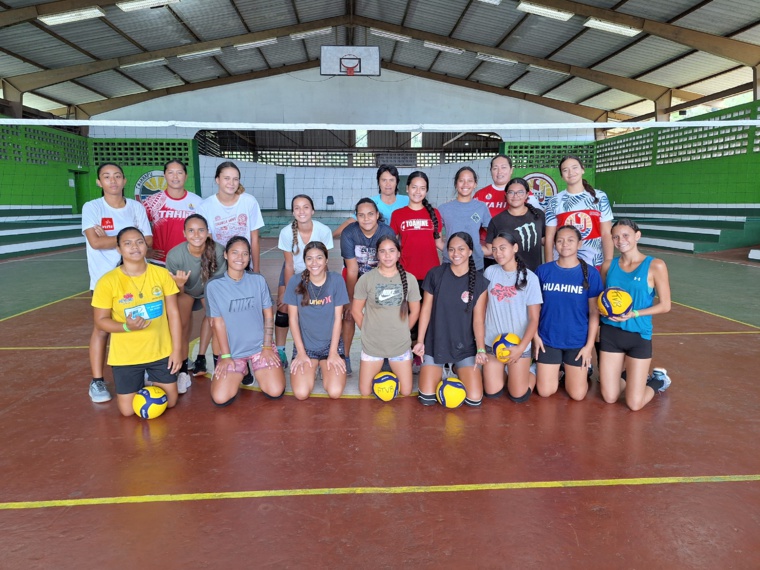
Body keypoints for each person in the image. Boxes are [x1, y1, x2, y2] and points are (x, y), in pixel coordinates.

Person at [91, 227, 182, 417]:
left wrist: (176, 350)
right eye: (128, 243)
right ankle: (144, 378)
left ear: (146, 245)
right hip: (126, 356)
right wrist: (126, 326)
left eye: (140, 242)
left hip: (160, 351)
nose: (135, 247)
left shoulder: (161, 274)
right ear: (119, 249)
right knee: (127, 411)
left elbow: (173, 313)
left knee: (171, 402)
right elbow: (101, 322)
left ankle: (151, 377)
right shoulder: (107, 281)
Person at [82, 162, 153, 404]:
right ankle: (97, 380)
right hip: (104, 279)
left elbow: (149, 240)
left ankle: (140, 368)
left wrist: (112, 238)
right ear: (99, 182)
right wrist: (131, 238)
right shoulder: (92, 207)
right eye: (106, 177)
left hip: (135, 277)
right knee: (102, 329)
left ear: (124, 181)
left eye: (117, 176)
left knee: (137, 321)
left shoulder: (136, 207)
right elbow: (95, 243)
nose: (112, 181)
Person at [599, 219, 672, 411]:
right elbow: (602, 298)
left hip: (638, 335)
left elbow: (665, 305)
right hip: (610, 333)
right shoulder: (608, 265)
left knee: (634, 404)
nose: (620, 240)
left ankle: (658, 380)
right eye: (615, 236)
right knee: (609, 397)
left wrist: (634, 314)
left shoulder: (655, 265)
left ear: (637, 236)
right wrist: (602, 308)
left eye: (625, 235)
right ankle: (628, 376)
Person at [205, 236, 286, 407]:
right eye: (235, 253)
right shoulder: (214, 286)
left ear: (250, 257)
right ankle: (244, 369)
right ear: (226, 255)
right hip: (233, 352)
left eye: (245, 254)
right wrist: (226, 356)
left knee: (275, 390)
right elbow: (218, 323)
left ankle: (256, 366)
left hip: (260, 348)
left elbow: (269, 316)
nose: (240, 258)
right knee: (220, 397)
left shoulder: (258, 280)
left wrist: (266, 346)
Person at [413, 232, 489, 407]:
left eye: (461, 249)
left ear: (470, 251)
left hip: (464, 346)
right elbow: (425, 310)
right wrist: (420, 341)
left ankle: (456, 367)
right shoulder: (435, 274)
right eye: (452, 249)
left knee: (474, 399)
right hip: (436, 344)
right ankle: (439, 368)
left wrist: (481, 349)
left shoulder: (479, 282)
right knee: (427, 398)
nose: (456, 253)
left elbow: (478, 320)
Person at [534, 226, 603, 401]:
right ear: (554, 244)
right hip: (548, 339)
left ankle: (578, 371)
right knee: (545, 391)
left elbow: (594, 313)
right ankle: (556, 369)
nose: (565, 244)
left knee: (578, 395)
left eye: (570, 240)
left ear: (579, 244)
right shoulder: (543, 271)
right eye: (560, 240)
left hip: (577, 341)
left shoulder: (591, 274)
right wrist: (535, 336)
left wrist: (588, 347)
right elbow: (533, 308)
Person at [352, 236, 421, 398]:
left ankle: (388, 366)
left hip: (399, 344)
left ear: (398, 254)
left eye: (391, 251)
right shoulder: (366, 279)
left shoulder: (409, 279)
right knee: (365, 392)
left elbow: (416, 311)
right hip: (373, 345)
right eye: (382, 251)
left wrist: (403, 331)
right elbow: (356, 311)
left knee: (405, 391)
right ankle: (384, 366)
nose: (387, 255)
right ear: (377, 255)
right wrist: (369, 331)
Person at [481, 232, 542, 403]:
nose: (498, 253)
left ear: (515, 248)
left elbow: (534, 319)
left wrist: (521, 347)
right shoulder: (490, 272)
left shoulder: (530, 278)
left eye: (502, 248)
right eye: (494, 249)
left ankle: (532, 371)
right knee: (492, 393)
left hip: (518, 345)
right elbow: (483, 307)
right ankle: (507, 371)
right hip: (493, 344)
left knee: (518, 396)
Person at [165, 214, 226, 385]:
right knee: (181, 325)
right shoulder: (175, 255)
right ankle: (183, 369)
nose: (196, 235)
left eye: (201, 230)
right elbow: (175, 293)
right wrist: (180, 285)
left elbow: (216, 287)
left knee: (215, 319)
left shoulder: (218, 251)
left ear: (208, 232)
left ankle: (208, 361)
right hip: (184, 291)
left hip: (209, 290)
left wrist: (210, 309)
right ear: (184, 233)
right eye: (191, 230)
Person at [284, 241, 349, 400]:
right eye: (309, 259)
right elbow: (292, 319)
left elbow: (337, 319)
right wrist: (300, 352)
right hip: (306, 347)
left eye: (319, 258)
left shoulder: (336, 280)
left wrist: (333, 352)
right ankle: (313, 367)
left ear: (326, 260)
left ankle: (322, 366)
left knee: (334, 392)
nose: (314, 263)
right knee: (301, 393)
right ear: (304, 261)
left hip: (330, 346)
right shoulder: (295, 281)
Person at [275, 194, 334, 367]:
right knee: (284, 308)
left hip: (317, 272)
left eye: (306, 207)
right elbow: (288, 265)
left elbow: (325, 263)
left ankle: (322, 350)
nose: (302, 211)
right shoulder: (286, 233)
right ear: (293, 212)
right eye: (297, 208)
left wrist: (324, 286)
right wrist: (288, 293)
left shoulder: (323, 231)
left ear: (313, 210)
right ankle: (280, 350)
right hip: (294, 273)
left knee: (319, 307)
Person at [339, 198, 396, 375]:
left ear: (377, 215)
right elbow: (352, 270)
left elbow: (387, 265)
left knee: (383, 314)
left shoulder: (386, 232)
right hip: (354, 276)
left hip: (381, 275)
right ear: (356, 217)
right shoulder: (349, 233)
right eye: (361, 215)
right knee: (348, 315)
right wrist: (350, 301)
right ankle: (345, 357)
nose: (366, 219)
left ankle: (385, 356)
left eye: (370, 214)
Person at [544, 155, 613, 269]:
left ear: (582, 169)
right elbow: (550, 238)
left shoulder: (600, 197)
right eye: (565, 170)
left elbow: (606, 233)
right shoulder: (555, 201)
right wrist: (549, 266)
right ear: (561, 176)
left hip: (594, 263)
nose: (571, 172)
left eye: (574, 167)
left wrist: (608, 262)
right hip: (562, 264)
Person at [197, 161, 264, 271]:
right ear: (217, 180)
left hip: (243, 264)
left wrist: (256, 270)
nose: (231, 183)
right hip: (219, 265)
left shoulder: (249, 202)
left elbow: (255, 239)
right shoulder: (205, 207)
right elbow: (208, 242)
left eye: (235, 179)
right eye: (227, 178)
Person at [475, 154, 540, 267]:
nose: (499, 171)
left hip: (519, 255)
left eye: (503, 167)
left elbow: (538, 221)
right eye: (495, 168)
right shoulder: (480, 195)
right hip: (489, 255)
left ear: (511, 170)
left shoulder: (525, 194)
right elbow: (473, 222)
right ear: (491, 171)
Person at [141, 159, 202, 265]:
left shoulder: (198, 202)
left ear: (186, 176)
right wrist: (145, 250)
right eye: (170, 173)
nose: (175, 177)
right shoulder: (152, 202)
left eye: (179, 173)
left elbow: (206, 231)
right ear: (164, 175)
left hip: (189, 261)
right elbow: (135, 227)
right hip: (160, 262)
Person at [390, 171, 443, 284]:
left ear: (426, 191)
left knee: (428, 302)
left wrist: (461, 252)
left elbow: (439, 243)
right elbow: (391, 245)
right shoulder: (397, 214)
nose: (418, 192)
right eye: (414, 187)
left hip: (431, 273)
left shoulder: (435, 213)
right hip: (406, 273)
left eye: (422, 188)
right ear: (407, 188)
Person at [485, 177, 546, 272]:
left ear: (527, 195)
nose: (515, 195)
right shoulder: (497, 221)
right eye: (511, 192)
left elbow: (545, 241)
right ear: (506, 195)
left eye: (520, 192)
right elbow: (489, 250)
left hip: (534, 273)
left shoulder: (538, 215)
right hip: (507, 275)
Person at [438, 167, 492, 271]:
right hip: (450, 263)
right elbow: (437, 240)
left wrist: (485, 250)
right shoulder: (444, 208)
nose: (465, 184)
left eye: (470, 181)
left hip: (475, 264)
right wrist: (449, 250)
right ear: (456, 184)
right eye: (461, 180)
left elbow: (492, 232)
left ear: (475, 184)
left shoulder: (481, 207)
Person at [332, 164, 408, 238]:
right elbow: (350, 222)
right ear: (378, 182)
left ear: (397, 182)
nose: (388, 184)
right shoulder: (370, 203)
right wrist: (331, 236)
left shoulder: (407, 201)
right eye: (384, 180)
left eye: (391, 180)